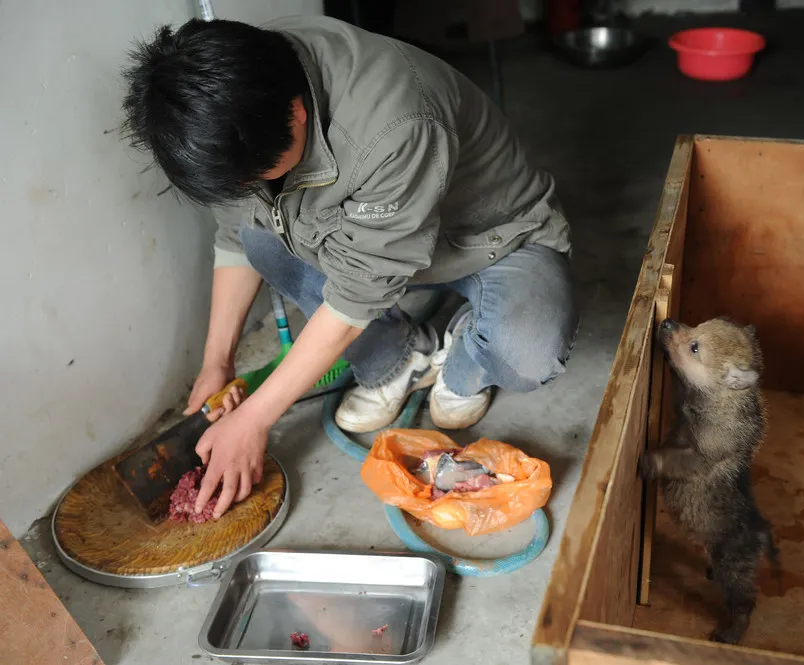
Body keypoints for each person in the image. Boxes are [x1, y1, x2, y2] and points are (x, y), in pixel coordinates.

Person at [121, 15, 577, 519]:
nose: (249, 188)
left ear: (297, 113)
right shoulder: (235, 94)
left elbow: (359, 290)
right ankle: (401, 359)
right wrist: (216, 362)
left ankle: (463, 359)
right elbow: (236, 232)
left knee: (526, 354)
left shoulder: (392, 121)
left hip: (490, 239)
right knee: (261, 241)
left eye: (255, 176)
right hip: (378, 250)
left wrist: (253, 419)